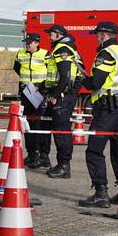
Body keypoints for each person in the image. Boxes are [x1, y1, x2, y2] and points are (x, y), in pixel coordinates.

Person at [78, 20, 118, 208]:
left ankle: (101, 192)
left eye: (97, 35)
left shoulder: (106, 53)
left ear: (104, 35)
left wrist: (83, 78)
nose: (96, 38)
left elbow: (96, 83)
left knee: (94, 149)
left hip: (106, 108)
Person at [43, 24, 83, 179]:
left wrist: (55, 94)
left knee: (61, 130)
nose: (49, 36)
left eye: (51, 34)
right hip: (66, 94)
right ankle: (62, 164)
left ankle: (64, 166)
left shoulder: (62, 49)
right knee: (61, 129)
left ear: (58, 35)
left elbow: (65, 77)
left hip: (63, 96)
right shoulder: (69, 48)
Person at [12, 33, 51, 169]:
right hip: (26, 91)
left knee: (41, 123)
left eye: (30, 42)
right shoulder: (21, 53)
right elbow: (16, 68)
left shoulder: (45, 54)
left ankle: (44, 155)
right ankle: (32, 154)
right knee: (27, 123)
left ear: (37, 43)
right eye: (26, 42)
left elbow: (51, 71)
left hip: (40, 91)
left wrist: (42, 85)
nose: (27, 44)